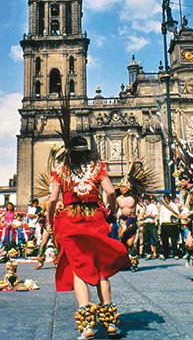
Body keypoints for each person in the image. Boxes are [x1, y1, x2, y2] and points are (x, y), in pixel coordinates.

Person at [47, 136, 128, 339]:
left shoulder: (61, 169)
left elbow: (53, 199)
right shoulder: (97, 167)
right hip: (95, 219)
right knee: (101, 270)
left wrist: (49, 221)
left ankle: (87, 326)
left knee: (77, 269)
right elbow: (110, 191)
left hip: (70, 220)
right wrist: (113, 211)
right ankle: (110, 323)